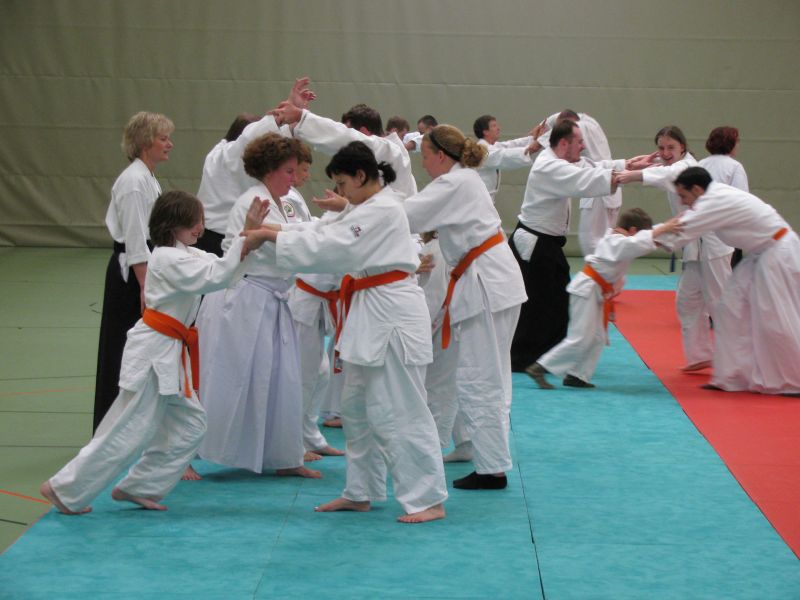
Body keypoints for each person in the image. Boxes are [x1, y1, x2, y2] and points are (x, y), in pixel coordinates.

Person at [244, 141, 448, 523]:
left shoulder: (384, 209)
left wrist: (267, 236)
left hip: (392, 312)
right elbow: (319, 228)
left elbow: (332, 246)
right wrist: (268, 229)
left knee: (399, 408)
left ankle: (428, 498)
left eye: (342, 183)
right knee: (356, 407)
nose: (340, 193)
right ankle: (360, 491)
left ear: (361, 176)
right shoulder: (362, 207)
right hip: (369, 311)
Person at [40, 191, 271, 514]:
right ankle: (64, 488)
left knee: (191, 425)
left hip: (169, 353)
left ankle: (139, 487)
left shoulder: (186, 254)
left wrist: (248, 234)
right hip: (153, 351)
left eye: (201, 221)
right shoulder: (166, 259)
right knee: (127, 429)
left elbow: (225, 270)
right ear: (173, 224)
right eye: (194, 222)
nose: (200, 228)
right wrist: (247, 238)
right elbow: (217, 275)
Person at [402, 124, 527, 490]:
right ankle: (489, 460)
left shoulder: (454, 183)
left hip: (484, 284)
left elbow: (404, 216)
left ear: (442, 155)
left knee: (479, 376)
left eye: (426, 156)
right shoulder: (465, 179)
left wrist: (356, 208)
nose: (424, 163)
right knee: (490, 376)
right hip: (494, 280)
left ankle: (492, 469)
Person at [196, 133, 320, 479]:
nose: (293, 178)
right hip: (245, 300)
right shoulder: (251, 202)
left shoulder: (285, 202)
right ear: (268, 170)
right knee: (232, 380)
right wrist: (257, 234)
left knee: (282, 379)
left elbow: (302, 235)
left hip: (275, 297)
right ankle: (187, 453)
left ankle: (285, 456)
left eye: (294, 171)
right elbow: (238, 250)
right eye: (288, 171)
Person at [662, 167, 800, 395]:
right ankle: (733, 376)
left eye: (683, 196)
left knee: (774, 318)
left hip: (778, 252)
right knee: (729, 310)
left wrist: (642, 239)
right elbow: (684, 221)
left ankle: (793, 379)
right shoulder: (711, 197)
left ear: (696, 190)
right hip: (761, 253)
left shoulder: (713, 201)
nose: (682, 202)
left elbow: (683, 229)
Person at [617, 126, 733, 372]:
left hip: (713, 244)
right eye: (661, 147)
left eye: (671, 147)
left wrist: (633, 175)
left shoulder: (686, 166)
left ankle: (740, 360)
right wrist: (638, 164)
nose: (665, 152)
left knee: (720, 304)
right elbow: (660, 167)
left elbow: (667, 174)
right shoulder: (670, 163)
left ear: (683, 147)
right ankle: (699, 355)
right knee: (687, 301)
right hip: (694, 245)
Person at [509, 119, 621, 372]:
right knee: (538, 303)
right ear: (563, 143)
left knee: (557, 300)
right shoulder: (549, 166)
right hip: (534, 243)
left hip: (545, 243)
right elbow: (583, 179)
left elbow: (589, 167)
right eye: (579, 142)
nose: (583, 146)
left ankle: (546, 355)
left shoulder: (559, 160)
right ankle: (523, 358)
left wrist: (628, 166)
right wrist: (623, 177)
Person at [527, 209, 682, 388]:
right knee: (580, 337)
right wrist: (664, 228)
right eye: (641, 233)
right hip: (586, 290)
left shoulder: (621, 240)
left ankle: (578, 376)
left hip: (596, 291)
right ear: (632, 230)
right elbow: (638, 242)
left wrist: (669, 226)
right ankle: (540, 367)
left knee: (597, 337)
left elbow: (644, 241)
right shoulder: (615, 241)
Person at [93, 111, 174, 432]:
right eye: (163, 138)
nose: (169, 144)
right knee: (122, 348)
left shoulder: (147, 177)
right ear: (144, 143)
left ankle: (133, 425)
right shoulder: (133, 182)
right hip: (131, 272)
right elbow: (137, 239)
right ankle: (110, 428)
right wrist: (145, 285)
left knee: (138, 348)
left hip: (144, 267)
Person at [195, 78, 315, 256]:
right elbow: (250, 138)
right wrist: (282, 115)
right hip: (220, 237)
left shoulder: (217, 153)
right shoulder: (232, 154)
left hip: (211, 234)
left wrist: (294, 119)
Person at [284, 144, 345, 460]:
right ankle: (292, 442)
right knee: (305, 374)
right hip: (306, 299)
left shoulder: (344, 217)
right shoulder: (292, 201)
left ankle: (309, 435)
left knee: (320, 374)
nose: (305, 175)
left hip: (321, 301)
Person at [536, 110, 623, 256]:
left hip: (598, 189)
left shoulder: (580, 128)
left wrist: (536, 142)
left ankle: (624, 244)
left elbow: (559, 137)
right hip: (606, 186)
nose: (581, 146)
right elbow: (561, 116)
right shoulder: (589, 121)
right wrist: (542, 125)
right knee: (603, 240)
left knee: (590, 242)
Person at [698, 126, 749, 267]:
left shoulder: (700, 164)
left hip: (702, 229)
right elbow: (742, 201)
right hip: (726, 232)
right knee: (728, 273)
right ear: (730, 143)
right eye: (737, 141)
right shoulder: (734, 167)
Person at [472, 114, 540, 203]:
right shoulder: (482, 151)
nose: (498, 128)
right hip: (479, 201)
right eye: (494, 126)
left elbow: (511, 145)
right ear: (485, 132)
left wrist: (533, 138)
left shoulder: (491, 147)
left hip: (484, 200)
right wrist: (530, 149)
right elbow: (505, 156)